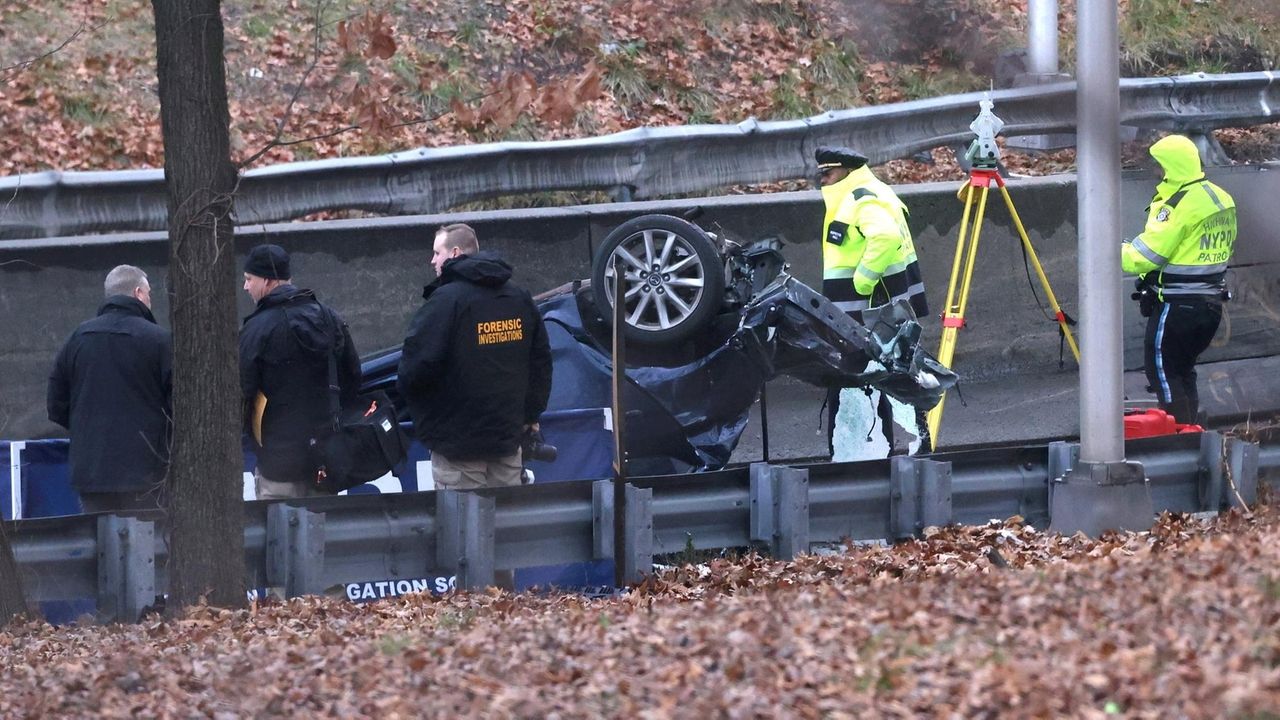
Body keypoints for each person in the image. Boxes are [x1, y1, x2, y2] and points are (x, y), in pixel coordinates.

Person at [398, 223, 552, 490]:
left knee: (462, 528)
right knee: (507, 524)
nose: (432, 260)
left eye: (437, 252)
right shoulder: (518, 297)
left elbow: (414, 370)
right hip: (507, 440)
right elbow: (540, 364)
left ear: (455, 252)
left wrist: (429, 419)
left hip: (457, 446)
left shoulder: (446, 301)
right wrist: (529, 417)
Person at [815, 145, 930, 457]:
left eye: (828, 173)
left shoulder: (860, 198)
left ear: (847, 171)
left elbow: (886, 237)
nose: (822, 180)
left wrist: (862, 282)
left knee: (862, 382)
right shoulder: (868, 191)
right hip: (884, 311)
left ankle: (859, 462)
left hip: (869, 312)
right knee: (897, 380)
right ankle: (912, 454)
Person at [1122, 134, 1236, 425]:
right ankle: (1192, 434)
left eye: (1159, 165)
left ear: (1171, 166)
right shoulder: (1221, 197)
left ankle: (1178, 437)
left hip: (1176, 306)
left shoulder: (1176, 205)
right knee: (1184, 370)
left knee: (1162, 370)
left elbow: (1143, 258)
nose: (1156, 172)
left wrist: (1108, 248)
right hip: (1211, 306)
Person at [239, 244, 361, 500]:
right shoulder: (329, 318)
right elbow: (352, 378)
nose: (245, 287)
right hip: (326, 460)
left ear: (268, 280)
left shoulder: (257, 329)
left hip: (278, 463)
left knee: (279, 535)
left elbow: (242, 391)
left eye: (249, 279)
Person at [47, 265, 172, 514]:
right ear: (138, 293)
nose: (150, 299)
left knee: (100, 546)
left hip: (92, 472)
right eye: (149, 293)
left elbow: (56, 404)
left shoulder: (78, 338)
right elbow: (177, 405)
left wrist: (87, 431)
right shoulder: (159, 340)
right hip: (147, 473)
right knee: (149, 547)